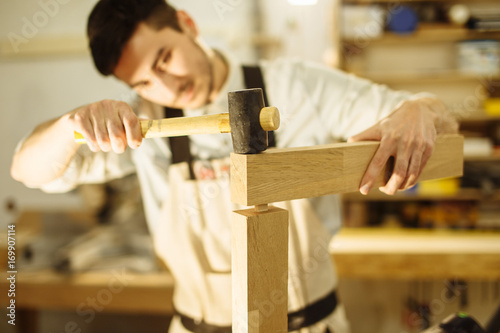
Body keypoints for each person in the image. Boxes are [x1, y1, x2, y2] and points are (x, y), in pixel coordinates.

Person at [10, 0, 458, 332]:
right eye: (143, 80)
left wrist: (420, 108)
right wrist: (69, 125)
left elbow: (435, 116)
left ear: (187, 24)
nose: (166, 86)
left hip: (311, 323)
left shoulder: (297, 84)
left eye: (164, 58)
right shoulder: (140, 126)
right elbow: (27, 170)